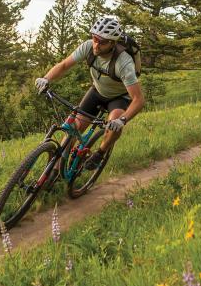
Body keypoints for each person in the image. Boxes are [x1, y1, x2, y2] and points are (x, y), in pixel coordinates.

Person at [35, 17, 145, 177]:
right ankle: (56, 171)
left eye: (102, 42)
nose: (96, 45)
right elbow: (64, 65)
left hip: (119, 97)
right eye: (94, 39)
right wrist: (46, 78)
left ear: (113, 43)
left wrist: (122, 120)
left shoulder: (124, 63)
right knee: (72, 128)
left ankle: (100, 153)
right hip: (97, 91)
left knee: (112, 125)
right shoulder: (88, 47)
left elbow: (139, 100)